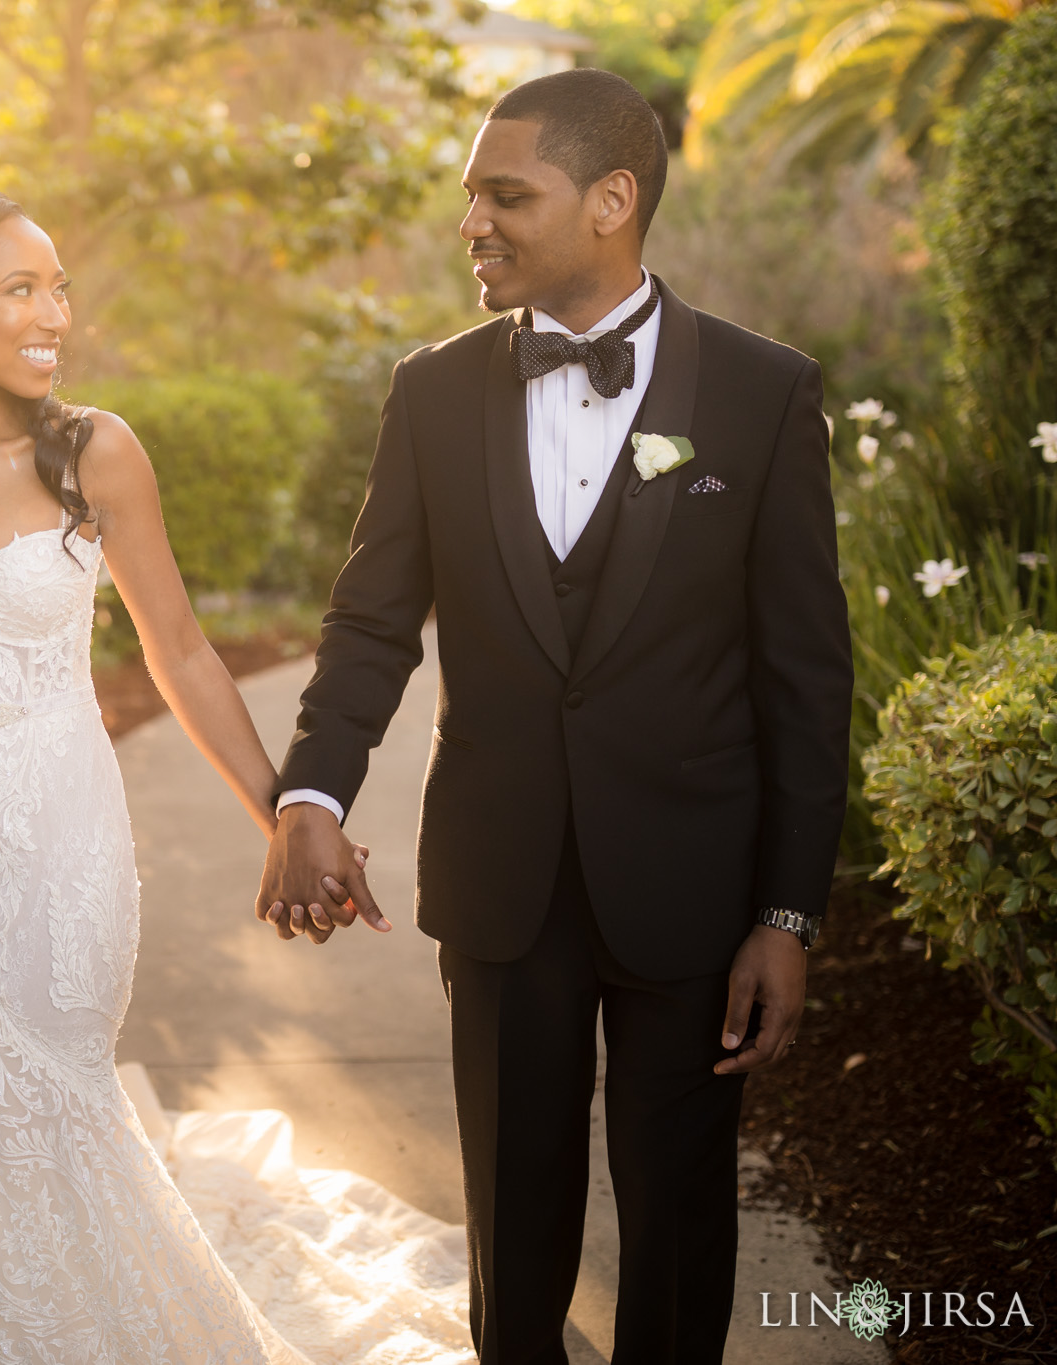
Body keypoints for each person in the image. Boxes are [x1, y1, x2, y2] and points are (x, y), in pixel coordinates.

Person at [0, 170, 480, 1364]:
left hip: (64, 835)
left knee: (54, 1092)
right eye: (21, 288)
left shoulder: (95, 452)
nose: (54, 315)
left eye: (61, 289)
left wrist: (285, 818)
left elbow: (183, 653)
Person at [255, 68, 852, 1364]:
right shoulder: (432, 391)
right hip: (502, 880)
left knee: (682, 1223)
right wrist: (310, 794)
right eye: (472, 198)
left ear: (611, 199)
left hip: (692, 888)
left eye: (506, 195)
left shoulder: (762, 393)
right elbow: (370, 624)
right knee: (511, 1227)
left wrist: (788, 912)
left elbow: (807, 680)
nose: (473, 224)